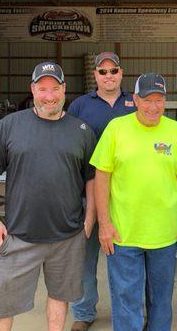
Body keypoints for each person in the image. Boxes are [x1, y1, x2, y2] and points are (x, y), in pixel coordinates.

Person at [0, 62, 96, 331]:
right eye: (42, 89)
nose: (49, 96)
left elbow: (92, 177)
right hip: (19, 235)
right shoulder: (10, 125)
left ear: (64, 89)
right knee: (2, 306)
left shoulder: (81, 131)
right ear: (32, 89)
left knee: (59, 297)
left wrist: (89, 219)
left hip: (67, 237)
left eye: (55, 88)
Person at [91, 73, 177, 331]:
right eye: (147, 99)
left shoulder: (175, 130)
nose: (153, 107)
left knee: (161, 300)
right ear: (135, 99)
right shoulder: (116, 128)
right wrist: (104, 224)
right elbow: (101, 178)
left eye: (159, 100)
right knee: (127, 299)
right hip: (124, 234)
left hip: (165, 234)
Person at [67, 52, 136, 331]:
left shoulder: (135, 103)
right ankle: (83, 312)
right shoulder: (80, 105)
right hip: (85, 190)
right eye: (103, 71)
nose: (109, 76)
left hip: (126, 192)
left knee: (126, 259)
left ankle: (128, 313)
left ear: (121, 73)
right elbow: (67, 143)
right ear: (94, 75)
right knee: (84, 255)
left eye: (114, 70)